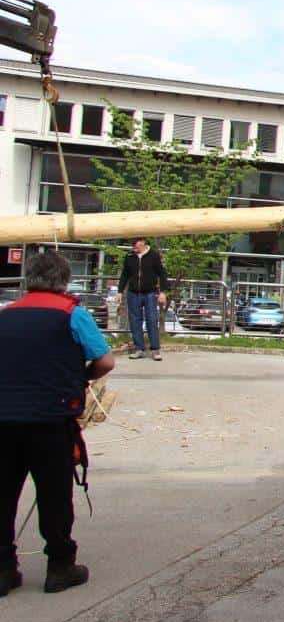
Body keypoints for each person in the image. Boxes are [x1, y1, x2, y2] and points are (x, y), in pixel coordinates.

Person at [1, 251, 116, 596]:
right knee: (54, 494)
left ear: (29, 278)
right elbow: (105, 361)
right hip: (51, 418)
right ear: (65, 280)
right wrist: (82, 377)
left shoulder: (6, 314)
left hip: (5, 417)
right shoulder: (72, 314)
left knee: (3, 493)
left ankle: (3, 569)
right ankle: (60, 565)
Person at [117, 237, 169, 361]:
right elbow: (124, 275)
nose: (134, 246)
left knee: (152, 320)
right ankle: (139, 349)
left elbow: (162, 274)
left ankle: (155, 349)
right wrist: (120, 291)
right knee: (135, 321)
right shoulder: (129, 256)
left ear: (143, 242)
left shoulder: (153, 255)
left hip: (149, 293)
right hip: (133, 293)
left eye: (136, 244)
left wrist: (162, 292)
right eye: (132, 244)